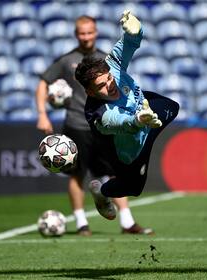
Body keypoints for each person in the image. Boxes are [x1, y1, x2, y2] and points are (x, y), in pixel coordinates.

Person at [35, 15, 153, 236]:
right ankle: (82, 224)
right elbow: (43, 83)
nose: (86, 36)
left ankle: (127, 222)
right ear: (76, 34)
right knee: (77, 175)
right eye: (82, 33)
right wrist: (42, 114)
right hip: (77, 124)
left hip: (106, 125)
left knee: (113, 173)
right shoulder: (66, 61)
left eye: (90, 32)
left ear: (96, 32)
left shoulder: (104, 60)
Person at [75, 11, 179, 220]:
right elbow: (120, 122)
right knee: (133, 188)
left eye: (109, 79)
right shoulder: (99, 113)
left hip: (145, 112)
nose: (110, 86)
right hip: (130, 145)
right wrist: (139, 120)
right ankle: (101, 192)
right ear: (90, 92)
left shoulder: (111, 65)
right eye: (101, 86)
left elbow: (128, 44)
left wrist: (135, 32)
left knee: (172, 106)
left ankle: (147, 116)